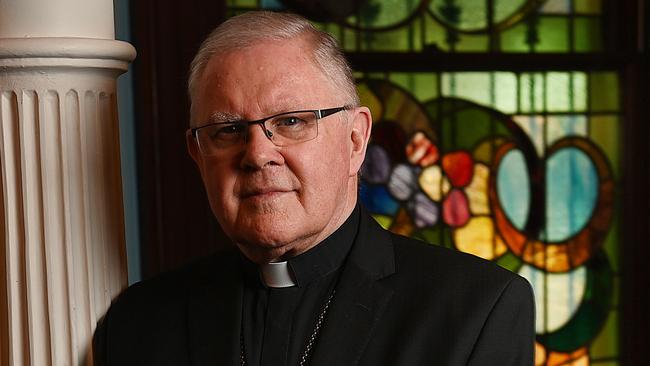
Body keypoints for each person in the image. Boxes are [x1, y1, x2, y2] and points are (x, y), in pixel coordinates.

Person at [94, 11, 535, 366]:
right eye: (227, 130)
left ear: (356, 140)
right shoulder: (140, 322)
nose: (258, 154)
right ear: (197, 155)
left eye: (290, 122)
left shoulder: (475, 311)